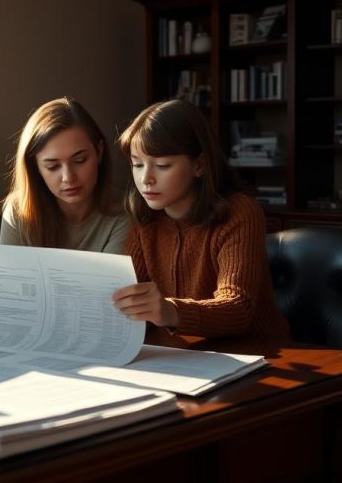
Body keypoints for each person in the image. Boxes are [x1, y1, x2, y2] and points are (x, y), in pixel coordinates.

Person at [111, 99, 289, 339]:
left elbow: (237, 308)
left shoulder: (239, 213)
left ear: (199, 165)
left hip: (257, 355)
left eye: (162, 166)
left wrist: (168, 310)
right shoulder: (146, 220)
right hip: (180, 363)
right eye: (137, 164)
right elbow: (127, 300)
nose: (145, 179)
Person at [0, 97, 129, 253]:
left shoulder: (123, 211)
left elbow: (113, 277)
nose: (68, 177)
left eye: (80, 160)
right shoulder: (18, 212)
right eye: (53, 166)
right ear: (35, 167)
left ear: (99, 151)